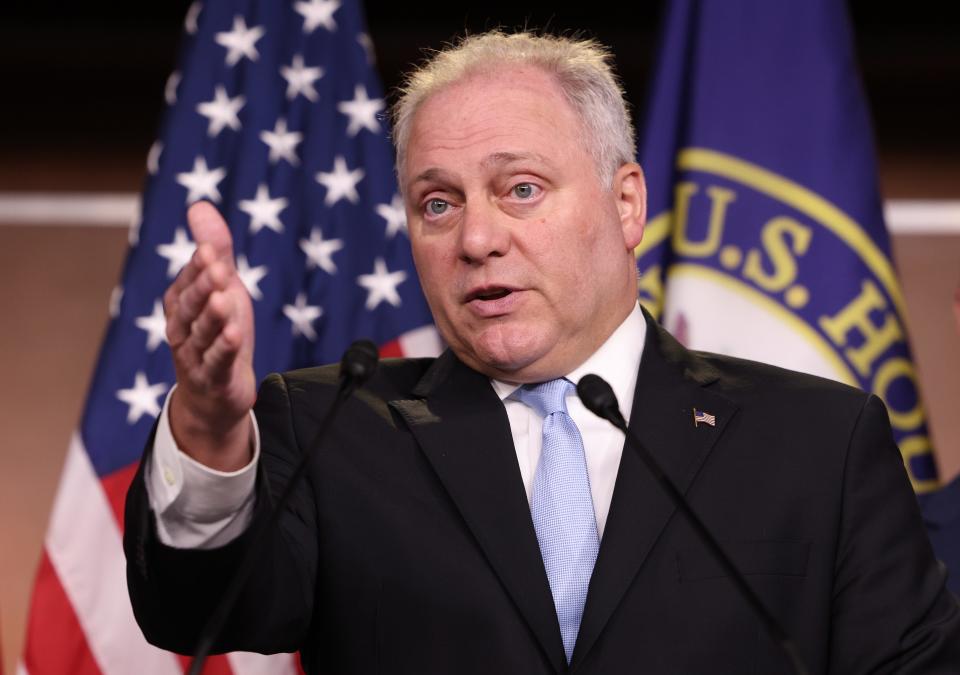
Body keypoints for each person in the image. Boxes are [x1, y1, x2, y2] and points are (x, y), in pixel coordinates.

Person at [125, 31, 960, 673]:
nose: (478, 237)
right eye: (438, 203)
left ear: (626, 203)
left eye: (520, 188)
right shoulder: (329, 429)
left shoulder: (819, 441)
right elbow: (195, 611)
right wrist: (207, 423)